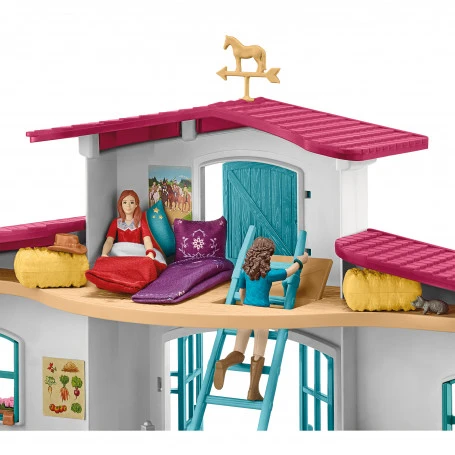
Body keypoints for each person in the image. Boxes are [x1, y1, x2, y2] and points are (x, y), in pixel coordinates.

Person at [214, 237, 308, 401]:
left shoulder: (244, 272)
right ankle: (253, 391)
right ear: (266, 255)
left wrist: (245, 305)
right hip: (262, 314)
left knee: (239, 350)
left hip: (245, 311)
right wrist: (300, 261)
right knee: (258, 352)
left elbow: (242, 293)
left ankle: (224, 363)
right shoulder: (268, 274)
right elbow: (288, 272)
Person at [101, 189, 165, 264]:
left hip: (136, 251)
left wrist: (150, 252)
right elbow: (109, 241)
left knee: (154, 256)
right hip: (121, 251)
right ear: (121, 204)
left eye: (131, 202)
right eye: (125, 202)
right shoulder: (116, 222)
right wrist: (104, 253)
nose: (128, 205)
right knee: (114, 249)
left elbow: (147, 240)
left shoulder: (141, 222)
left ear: (136, 205)